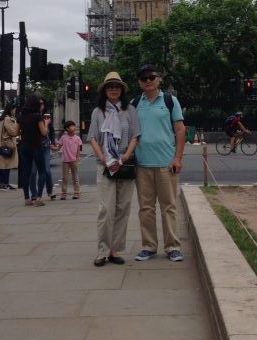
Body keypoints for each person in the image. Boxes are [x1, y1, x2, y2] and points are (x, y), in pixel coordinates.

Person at [133, 64, 186, 262]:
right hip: (142, 164)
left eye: (151, 77)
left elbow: (180, 130)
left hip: (166, 163)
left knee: (169, 206)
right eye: (144, 78)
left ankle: (172, 246)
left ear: (158, 79)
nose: (148, 81)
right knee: (145, 208)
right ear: (139, 82)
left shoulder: (170, 101)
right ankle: (148, 246)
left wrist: (178, 158)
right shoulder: (135, 103)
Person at [88, 72, 140, 267]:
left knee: (122, 208)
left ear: (121, 90)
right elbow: (93, 137)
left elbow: (135, 135)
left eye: (117, 86)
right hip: (105, 165)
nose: (114, 89)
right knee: (106, 209)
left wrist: (125, 156)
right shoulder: (98, 112)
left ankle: (115, 249)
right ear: (104, 90)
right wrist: (103, 157)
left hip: (125, 163)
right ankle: (102, 250)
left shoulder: (130, 110)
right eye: (110, 86)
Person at [18, 94, 48, 207]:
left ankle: (27, 198)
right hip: (36, 146)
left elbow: (15, 132)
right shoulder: (37, 116)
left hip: (24, 146)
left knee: (26, 172)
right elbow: (43, 132)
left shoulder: (21, 117)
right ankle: (38, 198)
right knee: (42, 171)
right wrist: (46, 124)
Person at [29, 103, 57, 201]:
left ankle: (50, 191)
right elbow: (43, 132)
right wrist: (46, 124)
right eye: (39, 104)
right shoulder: (33, 117)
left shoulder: (45, 117)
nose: (41, 106)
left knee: (47, 170)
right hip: (34, 146)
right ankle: (34, 193)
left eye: (42, 104)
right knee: (33, 171)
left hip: (45, 146)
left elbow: (51, 131)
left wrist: (52, 142)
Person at [0, 102, 19, 190]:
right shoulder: (8, 119)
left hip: (3, 144)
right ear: (10, 110)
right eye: (14, 109)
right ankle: (5, 184)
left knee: (3, 165)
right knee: (6, 165)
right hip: (8, 144)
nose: (15, 111)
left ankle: (3, 183)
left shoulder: (3, 118)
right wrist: (18, 129)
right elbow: (12, 132)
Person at [57, 120, 82, 200]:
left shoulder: (77, 138)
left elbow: (78, 149)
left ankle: (76, 192)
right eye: (71, 126)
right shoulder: (63, 138)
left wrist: (77, 158)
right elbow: (58, 147)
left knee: (75, 177)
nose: (74, 127)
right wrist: (53, 148)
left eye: (74, 126)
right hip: (65, 161)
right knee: (64, 178)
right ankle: (64, 193)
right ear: (67, 129)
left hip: (74, 160)